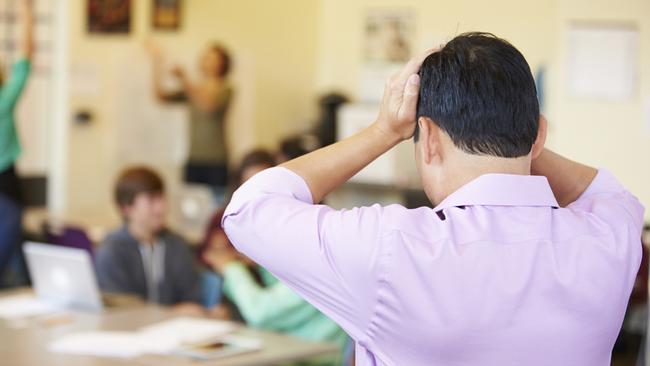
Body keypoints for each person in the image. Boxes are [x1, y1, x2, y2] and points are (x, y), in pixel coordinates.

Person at [222, 32, 645, 365]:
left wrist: (383, 130)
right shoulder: (609, 238)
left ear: (428, 142)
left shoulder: (389, 249)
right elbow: (606, 191)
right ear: (539, 136)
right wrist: (516, 135)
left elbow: (249, 207)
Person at [200, 149, 349, 364]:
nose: (256, 202)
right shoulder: (291, 237)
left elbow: (261, 312)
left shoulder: (318, 249)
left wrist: (231, 267)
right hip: (282, 350)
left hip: (309, 358)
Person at [96, 167, 203, 312]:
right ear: (126, 208)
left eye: (162, 198)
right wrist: (172, 312)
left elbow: (192, 300)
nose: (161, 208)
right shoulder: (111, 250)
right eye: (151, 200)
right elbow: (119, 307)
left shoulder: (177, 245)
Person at [148, 41, 233, 204]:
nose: (209, 62)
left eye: (214, 58)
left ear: (223, 63)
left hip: (217, 160)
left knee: (216, 206)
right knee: (191, 207)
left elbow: (208, 105)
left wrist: (184, 78)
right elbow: (160, 96)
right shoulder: (194, 89)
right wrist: (156, 62)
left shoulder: (226, 89)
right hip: (193, 158)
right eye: (206, 58)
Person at [0, 0, 33, 283]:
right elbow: (24, 58)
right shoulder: (4, 100)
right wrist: (25, 11)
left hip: (7, 186)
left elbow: (23, 59)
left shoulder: (4, 100)